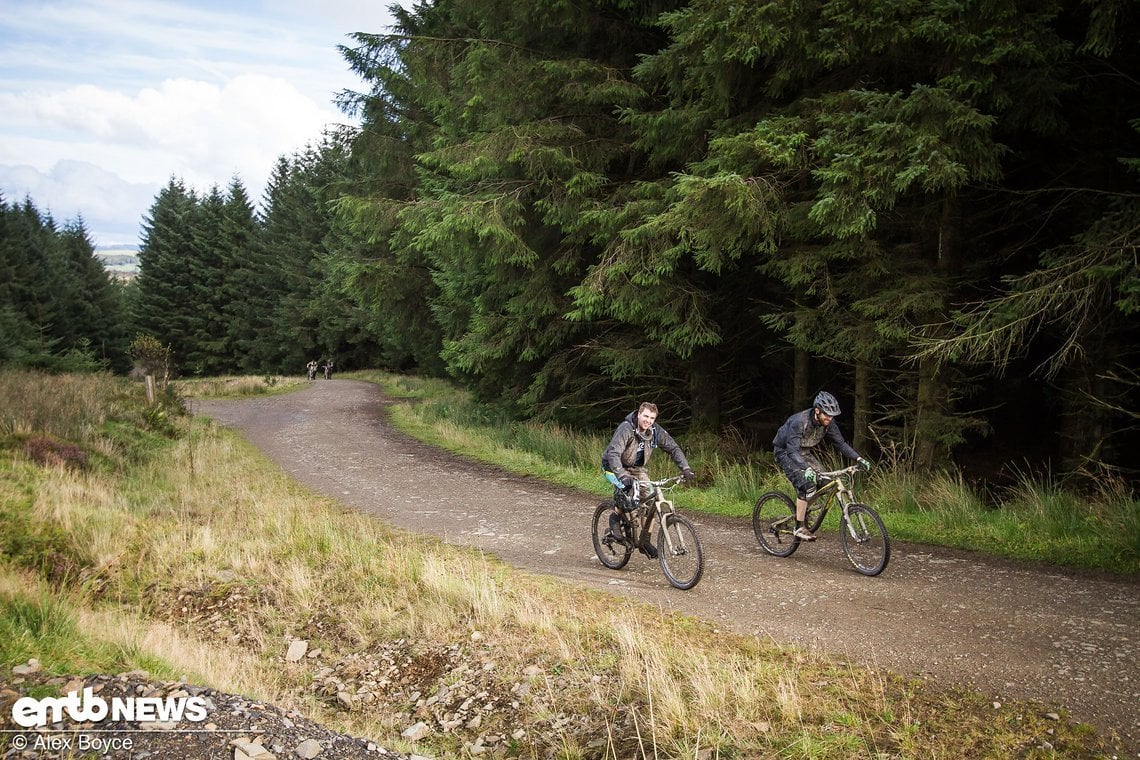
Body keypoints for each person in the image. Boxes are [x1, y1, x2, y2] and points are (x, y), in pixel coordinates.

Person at [772, 390, 872, 541]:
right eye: (827, 415)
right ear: (817, 410)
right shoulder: (799, 421)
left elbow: (841, 444)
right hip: (785, 452)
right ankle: (799, 527)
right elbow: (792, 451)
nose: (830, 419)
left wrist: (858, 458)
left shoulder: (828, 423)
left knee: (825, 482)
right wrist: (805, 469)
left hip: (803, 452)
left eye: (832, 416)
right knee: (805, 485)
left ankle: (803, 511)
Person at [602, 402, 695, 558]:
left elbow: (673, 448)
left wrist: (685, 468)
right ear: (639, 414)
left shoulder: (655, 430)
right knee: (628, 497)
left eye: (652, 418)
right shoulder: (626, 428)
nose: (648, 420)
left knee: (650, 501)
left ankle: (645, 540)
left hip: (636, 469)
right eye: (645, 416)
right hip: (613, 467)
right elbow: (613, 454)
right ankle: (615, 517)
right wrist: (622, 476)